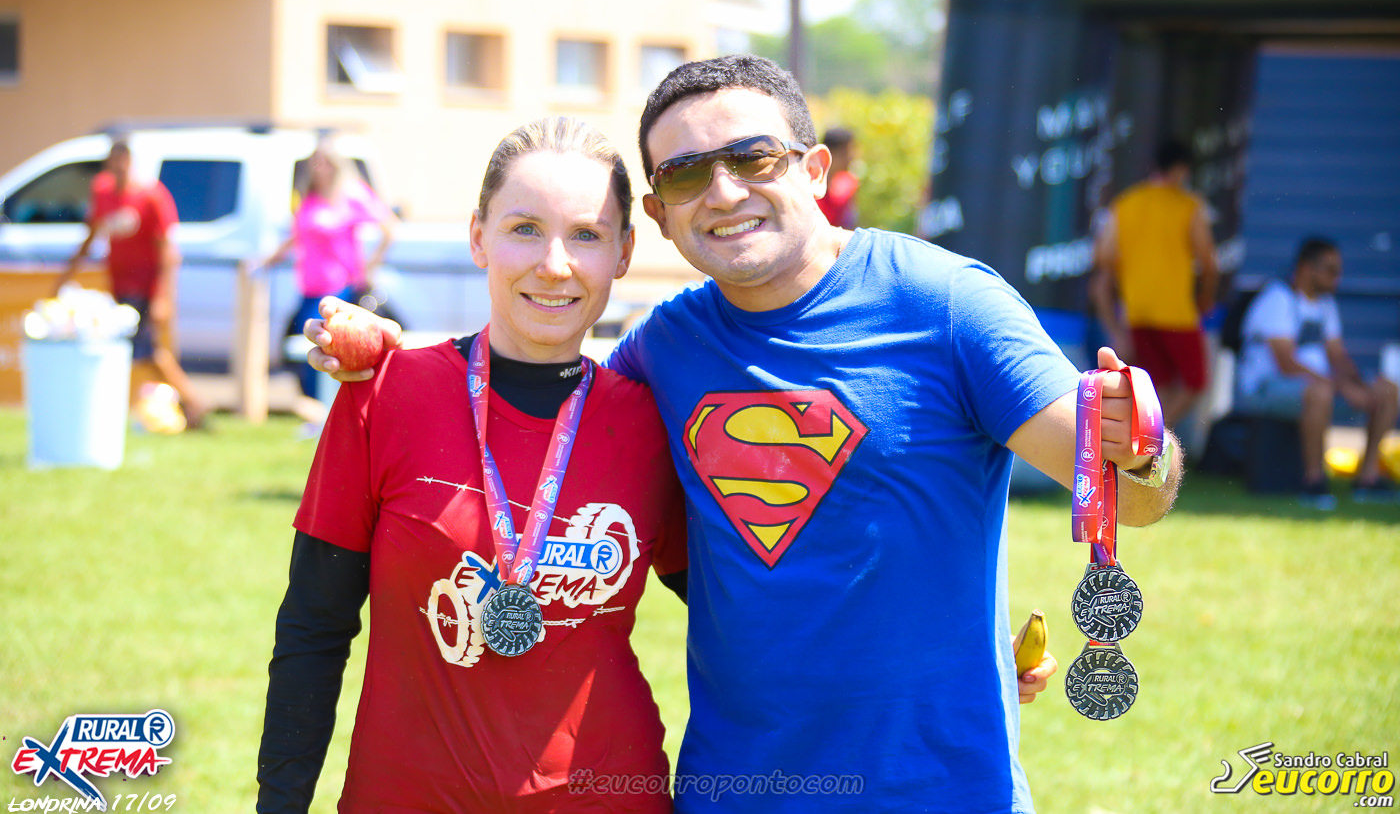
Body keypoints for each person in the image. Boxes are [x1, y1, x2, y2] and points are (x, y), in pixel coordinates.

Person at [311, 55, 1177, 813]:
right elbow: (540, 379)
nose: (723, 192)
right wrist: (392, 354)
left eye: (753, 157)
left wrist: (1138, 448)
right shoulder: (666, 350)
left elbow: (1129, 496)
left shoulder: (947, 304)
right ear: (659, 214)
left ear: (814, 167)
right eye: (687, 173)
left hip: (939, 787)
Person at [256, 117, 690, 813]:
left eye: (586, 234)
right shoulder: (386, 394)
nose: (555, 264)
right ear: (478, 237)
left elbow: (748, 618)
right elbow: (313, 624)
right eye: (525, 228)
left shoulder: (653, 422)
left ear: (624, 251)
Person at [56, 136, 209, 428]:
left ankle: (193, 403)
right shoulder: (102, 191)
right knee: (132, 350)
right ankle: (184, 406)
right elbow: (91, 235)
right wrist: (65, 276)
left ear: (131, 162)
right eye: (113, 162)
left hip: (146, 287)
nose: (119, 168)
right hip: (119, 285)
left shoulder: (151, 196)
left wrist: (163, 296)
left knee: (148, 352)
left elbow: (168, 251)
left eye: (123, 161)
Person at [1236, 236, 1399, 507]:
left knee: (1387, 390)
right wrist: (1341, 387)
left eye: (1339, 271)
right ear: (1306, 268)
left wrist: (1358, 385)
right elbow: (1286, 364)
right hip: (1265, 388)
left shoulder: (1325, 304)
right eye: (1331, 270)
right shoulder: (1277, 298)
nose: (1337, 278)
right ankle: (1313, 481)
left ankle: (1367, 477)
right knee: (1320, 392)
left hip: (1318, 387)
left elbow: (1338, 356)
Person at [1091, 139, 1219, 427]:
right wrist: (1206, 297)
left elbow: (1103, 256)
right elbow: (1209, 261)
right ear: (1182, 169)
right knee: (1195, 383)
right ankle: (1155, 435)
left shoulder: (1125, 203)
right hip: (1177, 313)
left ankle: (1148, 437)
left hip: (1137, 312)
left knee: (1158, 383)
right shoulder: (1188, 205)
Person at [256, 141, 396, 399]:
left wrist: (370, 266)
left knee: (325, 345)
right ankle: (317, 405)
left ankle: (327, 404)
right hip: (309, 287)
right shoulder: (309, 197)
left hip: (338, 288)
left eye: (324, 162)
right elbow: (298, 235)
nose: (318, 167)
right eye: (315, 162)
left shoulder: (351, 193)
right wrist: (268, 259)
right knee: (306, 348)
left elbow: (389, 227)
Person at [816, 126, 858, 229]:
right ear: (828, 154)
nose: (850, 158)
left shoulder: (848, 183)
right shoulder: (812, 189)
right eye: (844, 153)